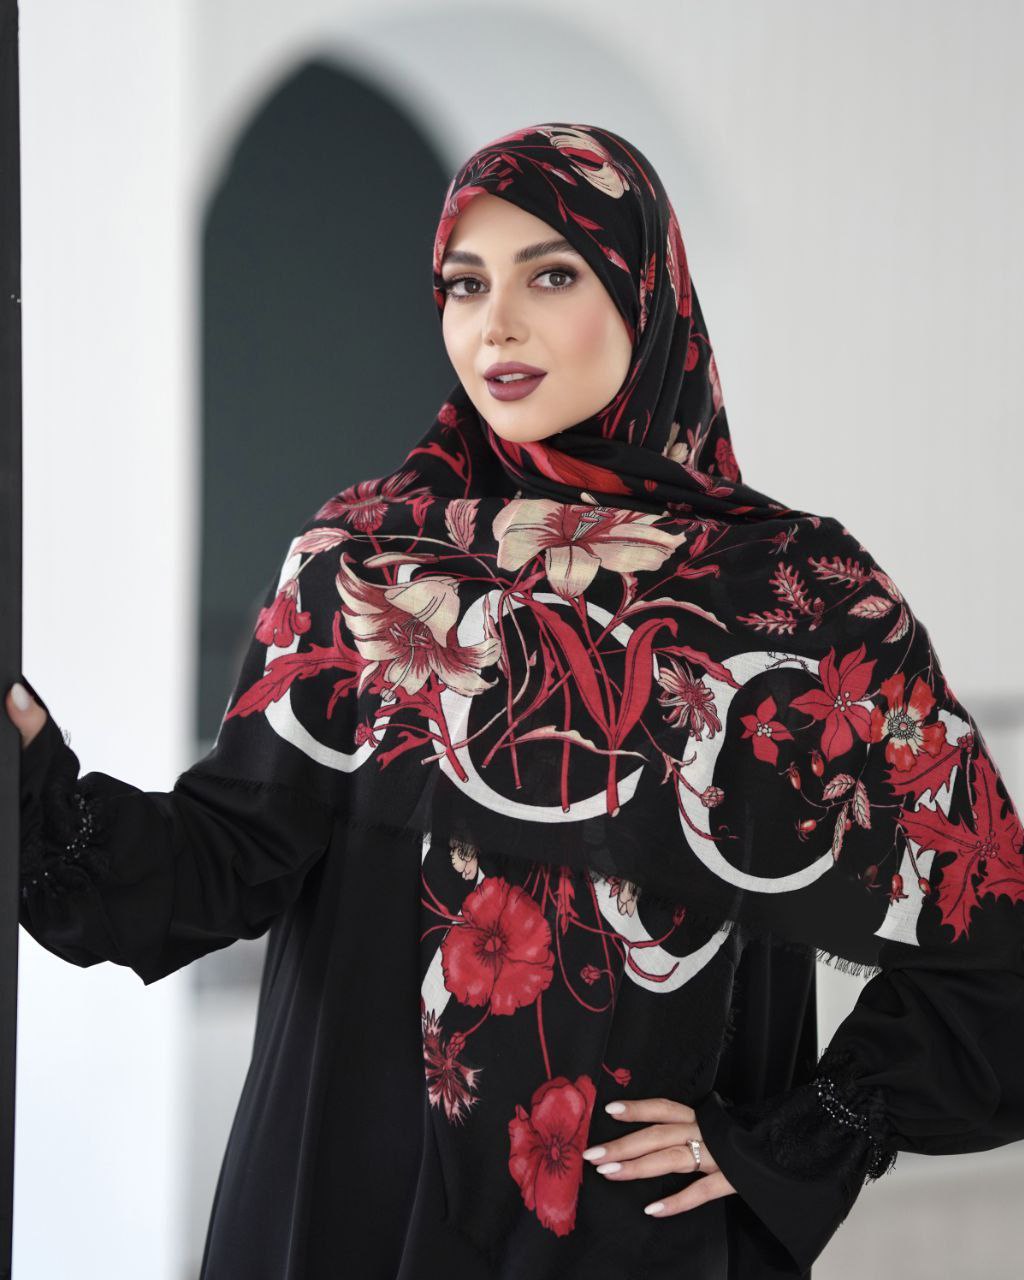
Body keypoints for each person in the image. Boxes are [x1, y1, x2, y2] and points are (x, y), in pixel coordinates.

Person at [9, 121, 1024, 1280]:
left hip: (631, 1239)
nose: (494, 324)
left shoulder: (797, 599)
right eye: (464, 283)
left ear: (644, 295)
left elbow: (990, 930)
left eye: (549, 276)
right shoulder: (364, 569)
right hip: (352, 1203)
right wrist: (35, 773)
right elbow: (214, 865)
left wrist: (801, 1135)